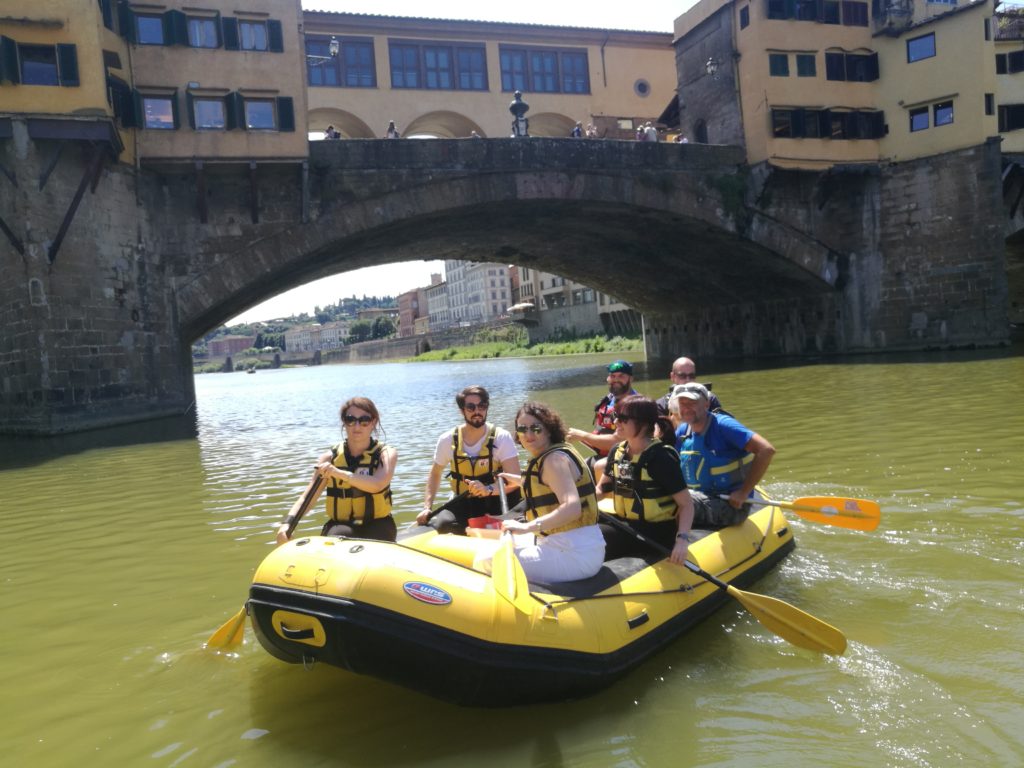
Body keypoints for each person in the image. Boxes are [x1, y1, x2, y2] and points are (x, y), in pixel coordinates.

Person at [480, 401, 605, 582]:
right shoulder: (554, 454)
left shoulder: (554, 460)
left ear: (548, 429)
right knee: (497, 545)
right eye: (522, 429)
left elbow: (572, 508)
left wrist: (526, 527)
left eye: (536, 428)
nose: (528, 435)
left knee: (487, 561)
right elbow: (546, 485)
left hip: (575, 554)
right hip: (564, 543)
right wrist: (513, 478)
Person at [277, 397, 397, 544]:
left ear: (373, 422)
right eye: (350, 419)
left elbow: (378, 484)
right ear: (344, 422)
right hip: (342, 525)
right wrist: (288, 524)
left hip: (378, 523)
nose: (357, 426)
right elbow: (308, 497)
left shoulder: (386, 454)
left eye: (364, 420)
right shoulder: (329, 458)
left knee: (376, 538)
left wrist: (339, 473)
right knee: (336, 537)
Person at [596, 395, 696, 563]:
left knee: (593, 541)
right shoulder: (617, 451)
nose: (616, 423)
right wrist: (579, 505)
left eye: (623, 419)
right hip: (625, 525)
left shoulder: (660, 458)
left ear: (643, 424)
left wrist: (682, 540)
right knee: (582, 534)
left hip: (654, 534)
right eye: (616, 417)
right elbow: (602, 489)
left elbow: (686, 504)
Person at [417, 386, 521, 534]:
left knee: (510, 525)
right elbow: (435, 474)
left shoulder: (501, 437)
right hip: (463, 500)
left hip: (496, 499)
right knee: (444, 524)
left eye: (482, 406)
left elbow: (516, 481)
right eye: (471, 407)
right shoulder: (447, 440)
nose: (477, 411)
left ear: (487, 408)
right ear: (462, 411)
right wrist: (427, 507)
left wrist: (488, 490)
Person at [673, 382, 775, 528]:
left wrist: (743, 492)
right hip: (699, 496)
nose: (686, 408)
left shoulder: (724, 426)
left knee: (679, 505)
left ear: (706, 404)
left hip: (730, 504)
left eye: (692, 402)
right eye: (682, 403)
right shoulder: (682, 431)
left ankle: (679, 544)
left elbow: (766, 450)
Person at [567, 360, 639, 459]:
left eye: (621, 376)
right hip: (605, 455)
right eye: (613, 376)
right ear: (608, 379)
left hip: (623, 459)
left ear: (631, 379)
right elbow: (601, 432)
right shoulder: (609, 399)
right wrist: (575, 435)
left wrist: (582, 436)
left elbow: (618, 442)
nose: (616, 379)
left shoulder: (635, 405)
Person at [655, 356, 724, 418]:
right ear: (672, 376)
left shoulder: (709, 399)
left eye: (691, 376)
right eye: (682, 376)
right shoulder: (661, 405)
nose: (688, 380)